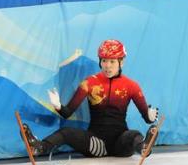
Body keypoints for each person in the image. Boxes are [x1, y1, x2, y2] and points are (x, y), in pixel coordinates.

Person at [19, 39, 160, 158]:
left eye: (112, 61)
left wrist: (150, 117)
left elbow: (147, 119)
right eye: (104, 61)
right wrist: (58, 106)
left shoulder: (132, 86)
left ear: (121, 62)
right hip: (96, 143)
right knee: (66, 132)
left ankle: (143, 148)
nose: (107, 66)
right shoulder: (89, 82)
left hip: (121, 144)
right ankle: (39, 147)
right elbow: (67, 113)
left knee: (134, 135)